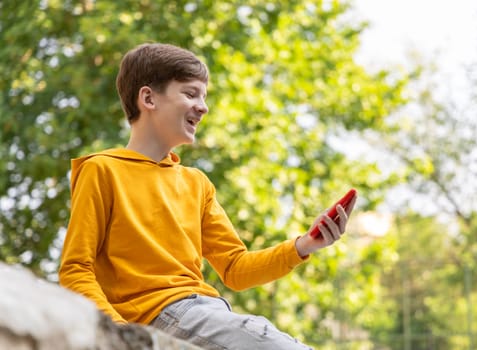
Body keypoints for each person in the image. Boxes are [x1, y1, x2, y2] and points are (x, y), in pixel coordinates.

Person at [59, 43, 357, 350]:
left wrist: (304, 245)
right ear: (148, 98)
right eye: (190, 94)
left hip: (208, 312)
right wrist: (118, 333)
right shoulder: (102, 170)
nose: (203, 107)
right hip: (164, 317)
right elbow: (76, 269)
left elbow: (235, 268)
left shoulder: (196, 183)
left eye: (204, 97)